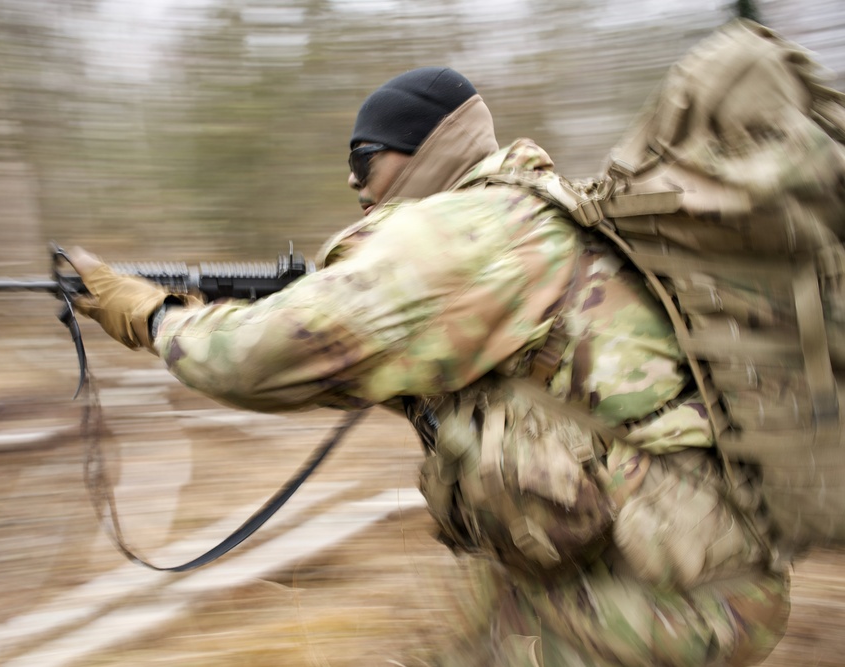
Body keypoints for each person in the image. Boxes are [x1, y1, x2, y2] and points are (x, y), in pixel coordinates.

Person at [69, 66, 790, 666]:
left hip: (667, 589)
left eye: (363, 159)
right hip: (665, 555)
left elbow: (253, 359)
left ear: (418, 151)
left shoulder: (458, 235)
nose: (354, 184)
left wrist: (156, 315)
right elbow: (377, 366)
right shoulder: (526, 211)